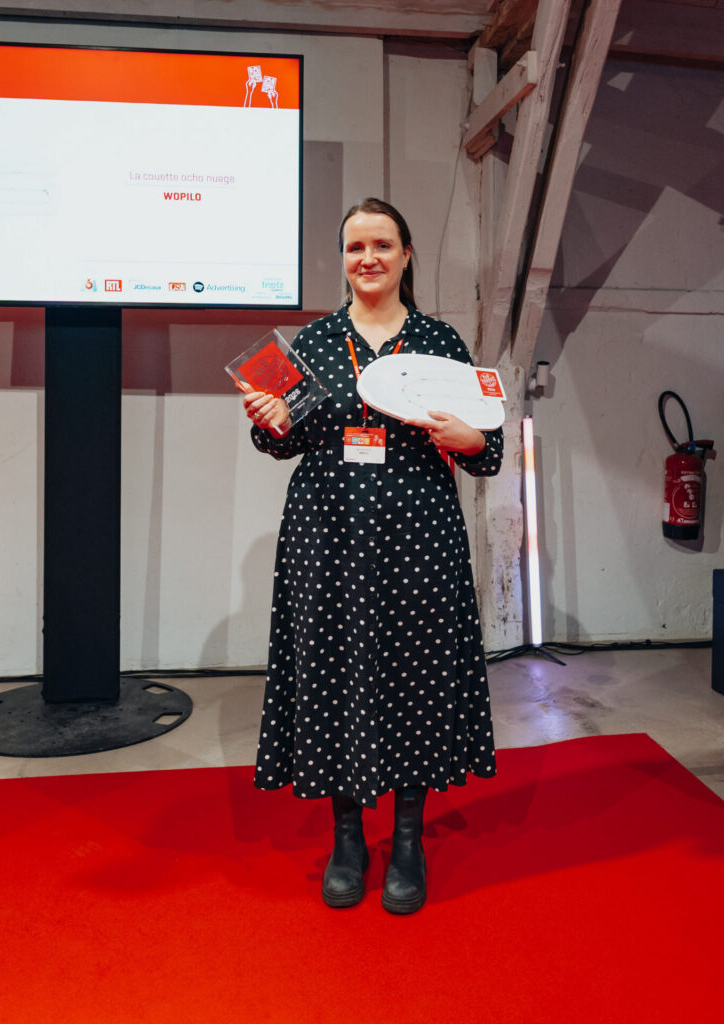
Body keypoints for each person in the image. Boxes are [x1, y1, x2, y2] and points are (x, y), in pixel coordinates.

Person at [242, 198, 503, 914]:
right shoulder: (313, 341)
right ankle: (348, 836)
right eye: (356, 246)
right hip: (327, 535)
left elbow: (487, 449)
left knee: (416, 675)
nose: (368, 258)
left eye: (382, 244)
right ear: (343, 258)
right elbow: (280, 440)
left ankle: (409, 838)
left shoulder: (440, 342)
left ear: (406, 254)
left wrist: (470, 440)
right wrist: (271, 421)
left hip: (420, 535)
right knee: (335, 672)